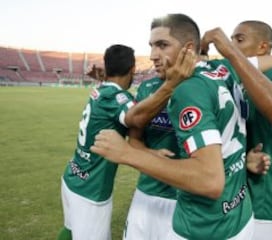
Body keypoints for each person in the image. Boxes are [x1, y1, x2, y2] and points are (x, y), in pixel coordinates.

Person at [91, 13, 272, 239]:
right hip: (156, 194)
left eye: (162, 45)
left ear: (187, 49)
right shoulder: (155, 87)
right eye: (151, 46)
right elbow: (135, 134)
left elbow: (209, 177)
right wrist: (144, 152)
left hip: (192, 200)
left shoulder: (199, 83)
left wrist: (126, 154)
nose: (153, 55)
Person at [57, 44, 196, 240]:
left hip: (73, 176)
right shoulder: (116, 98)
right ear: (132, 69)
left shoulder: (102, 90)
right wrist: (171, 85)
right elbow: (136, 118)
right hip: (91, 189)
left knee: (70, 230)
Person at [230, 20, 272, 240]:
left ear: (262, 47)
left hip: (266, 196)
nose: (232, 44)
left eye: (239, 39)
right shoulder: (243, 78)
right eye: (231, 39)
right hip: (246, 193)